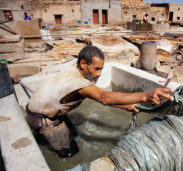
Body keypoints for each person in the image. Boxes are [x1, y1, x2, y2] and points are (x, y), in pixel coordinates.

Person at [26, 46, 173, 158]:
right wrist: (146, 96)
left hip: (41, 108)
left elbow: (100, 99)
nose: (99, 73)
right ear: (83, 63)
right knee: (70, 153)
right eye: (96, 68)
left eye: (101, 69)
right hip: (42, 118)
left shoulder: (74, 72)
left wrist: (126, 105)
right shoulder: (77, 83)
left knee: (71, 133)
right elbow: (104, 97)